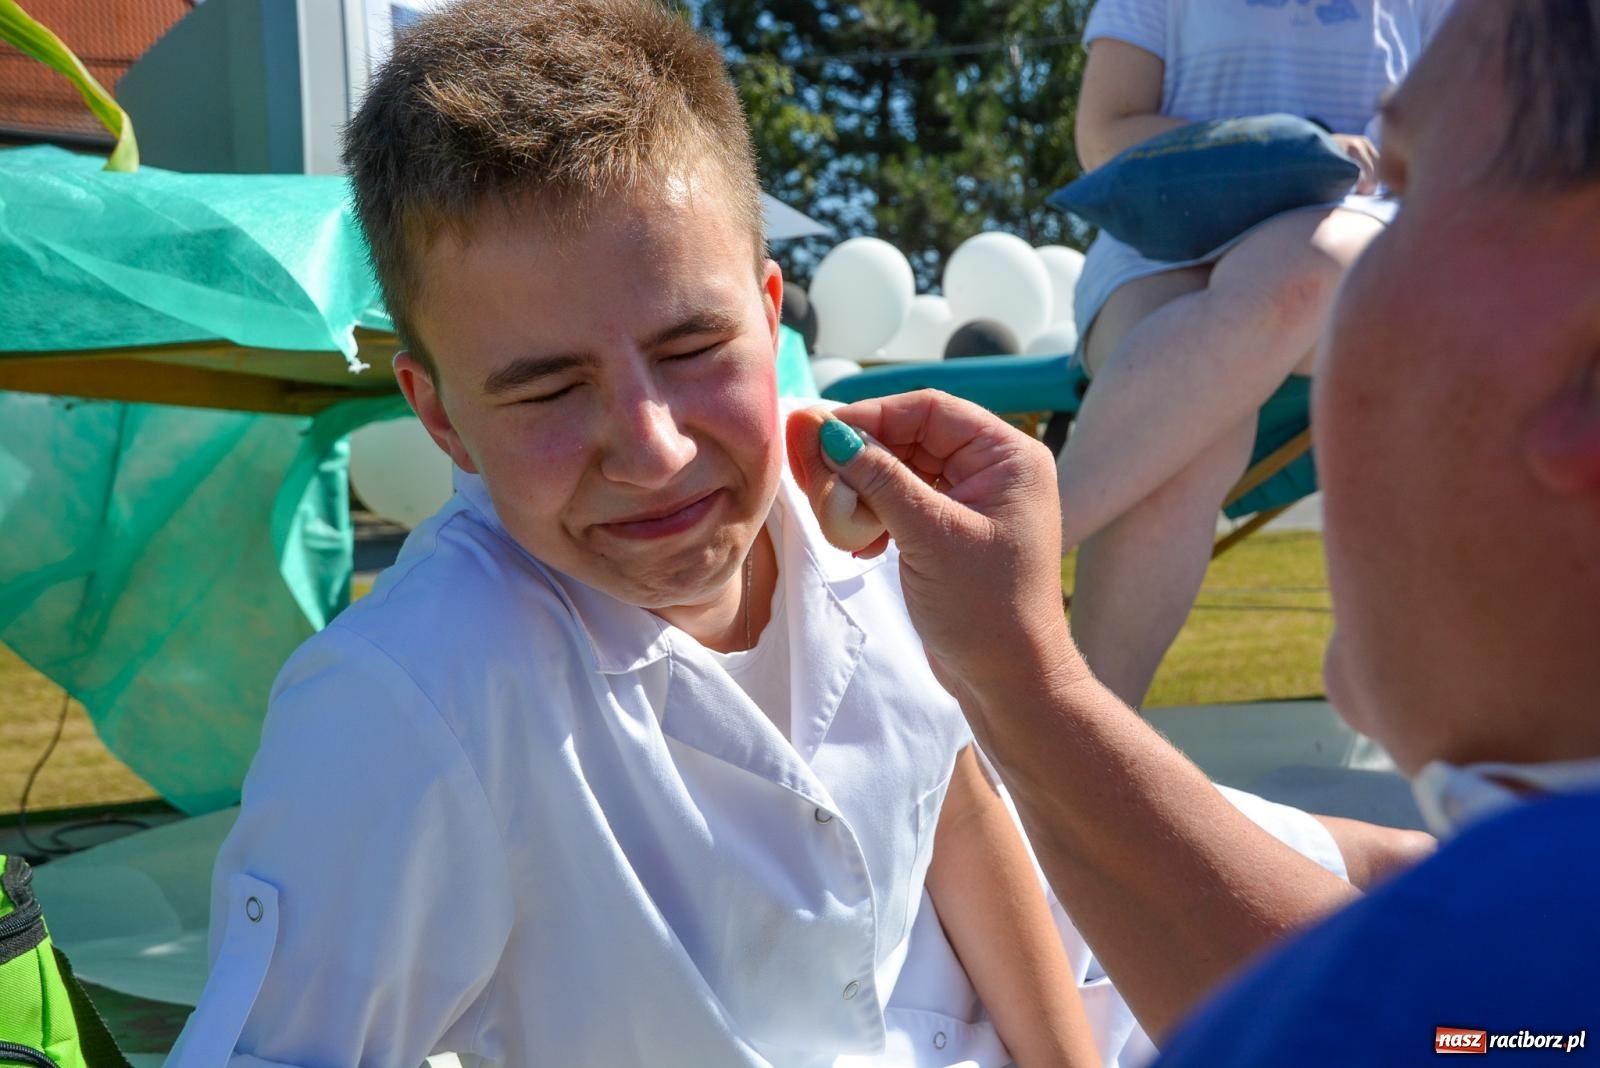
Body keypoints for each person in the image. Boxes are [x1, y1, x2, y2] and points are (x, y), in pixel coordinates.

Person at [793, 0, 1600, 1057]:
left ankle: (1022, 549)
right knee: (1195, 443)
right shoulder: (1489, 976)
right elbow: (1470, 1017)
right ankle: (1063, 703)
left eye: (1414, 176)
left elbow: (1424, 1018)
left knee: (1250, 334)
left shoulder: (1424, 995)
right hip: (1163, 254)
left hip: (1291, 256)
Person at [1059, 0, 1453, 706]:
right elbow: (1104, 133)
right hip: (1156, 240)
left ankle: (998, 543)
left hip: (1350, 228)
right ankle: (1064, 755)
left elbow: (1471, 138)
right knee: (1185, 449)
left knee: (1297, 283)